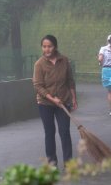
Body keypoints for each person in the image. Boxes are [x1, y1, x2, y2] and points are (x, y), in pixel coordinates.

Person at [33, 34, 78, 167]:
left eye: (49, 46)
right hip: (45, 103)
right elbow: (38, 86)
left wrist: (74, 98)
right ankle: (52, 163)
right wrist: (52, 99)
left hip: (63, 102)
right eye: (44, 46)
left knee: (64, 131)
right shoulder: (39, 64)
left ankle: (69, 163)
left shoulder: (64, 60)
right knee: (50, 132)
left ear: (55, 47)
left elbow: (70, 80)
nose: (47, 49)